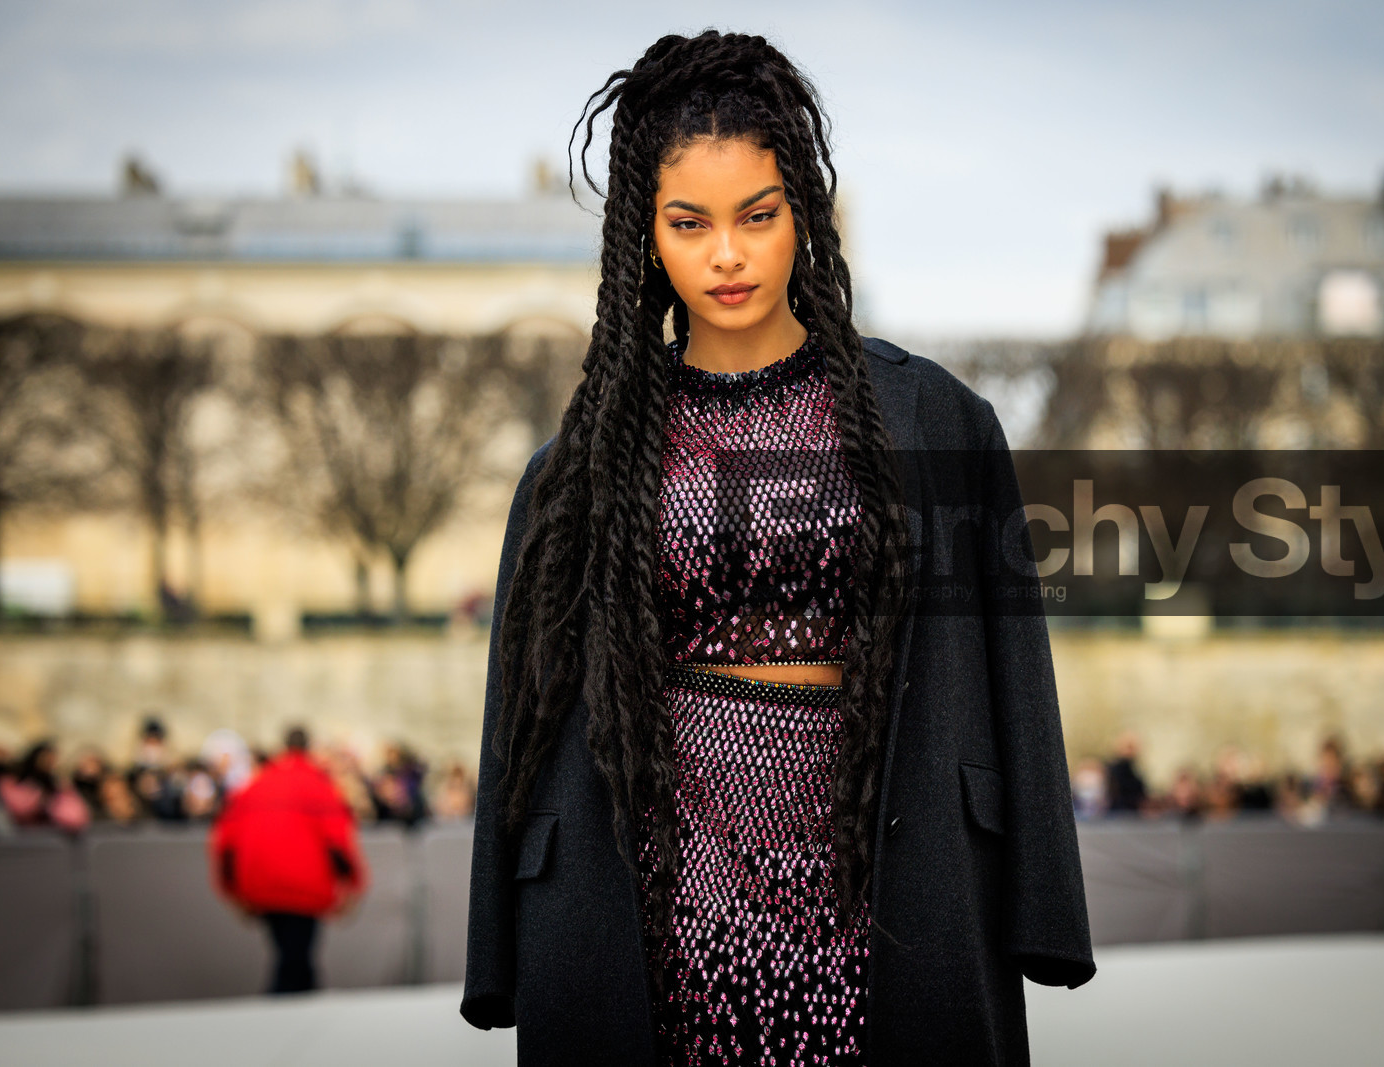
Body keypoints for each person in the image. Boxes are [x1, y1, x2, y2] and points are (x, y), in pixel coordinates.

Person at [461, 30, 1095, 1066]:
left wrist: (1045, 912)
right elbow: (517, 718)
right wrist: (498, 949)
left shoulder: (936, 420)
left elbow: (1013, 674)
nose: (726, 253)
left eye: (757, 214)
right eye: (688, 221)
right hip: (662, 878)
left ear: (803, 209)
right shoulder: (574, 467)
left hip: (883, 866)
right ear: (642, 234)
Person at [208, 726, 367, 994]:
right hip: (305, 889)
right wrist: (353, 885)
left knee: (292, 958)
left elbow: (225, 842)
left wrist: (232, 890)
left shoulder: (256, 784)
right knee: (295, 962)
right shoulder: (319, 786)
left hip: (262, 886)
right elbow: (339, 842)